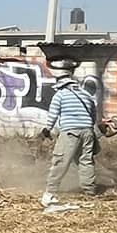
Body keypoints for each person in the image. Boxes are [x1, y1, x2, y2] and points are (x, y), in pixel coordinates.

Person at [41, 67, 100, 207]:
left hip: (70, 132)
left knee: (61, 161)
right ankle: (90, 191)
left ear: (60, 84)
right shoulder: (86, 95)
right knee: (86, 161)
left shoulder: (60, 95)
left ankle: (51, 192)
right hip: (88, 132)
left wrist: (47, 130)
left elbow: (53, 114)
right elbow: (93, 116)